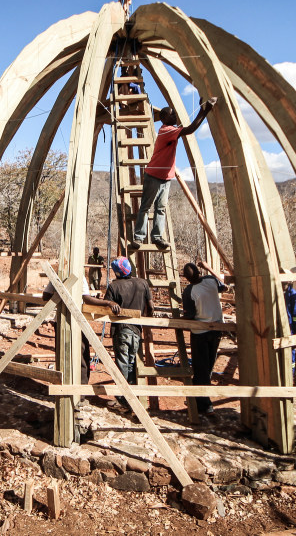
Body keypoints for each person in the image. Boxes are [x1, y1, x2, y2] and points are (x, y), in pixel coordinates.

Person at [128, 97, 217, 252]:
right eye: (172, 114)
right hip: (154, 175)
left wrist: (202, 108)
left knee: (160, 208)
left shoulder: (171, 130)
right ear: (164, 118)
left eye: (175, 114)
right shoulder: (166, 130)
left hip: (165, 178)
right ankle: (139, 237)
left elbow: (187, 128)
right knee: (146, 207)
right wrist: (205, 110)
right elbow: (190, 129)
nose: (175, 116)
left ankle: (157, 237)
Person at [42, 275, 120, 386]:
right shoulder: (79, 276)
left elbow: (45, 296)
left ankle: (64, 386)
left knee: (62, 353)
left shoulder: (57, 276)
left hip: (60, 320)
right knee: (82, 354)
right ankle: (80, 390)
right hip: (76, 320)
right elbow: (87, 299)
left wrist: (60, 293)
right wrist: (107, 303)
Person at [102, 256, 153, 410]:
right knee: (131, 362)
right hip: (136, 330)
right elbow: (150, 307)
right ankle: (131, 396)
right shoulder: (142, 283)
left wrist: (111, 303)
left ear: (117, 272)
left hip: (121, 329)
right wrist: (146, 321)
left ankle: (123, 398)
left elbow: (105, 307)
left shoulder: (114, 286)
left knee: (122, 363)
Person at [181, 259, 227, 415]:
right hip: (217, 330)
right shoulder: (210, 280)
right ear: (200, 272)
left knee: (201, 368)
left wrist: (177, 320)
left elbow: (191, 316)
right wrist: (209, 268)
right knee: (208, 365)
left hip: (200, 333)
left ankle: (204, 404)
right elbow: (224, 285)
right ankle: (197, 396)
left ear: (185, 278)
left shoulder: (189, 292)